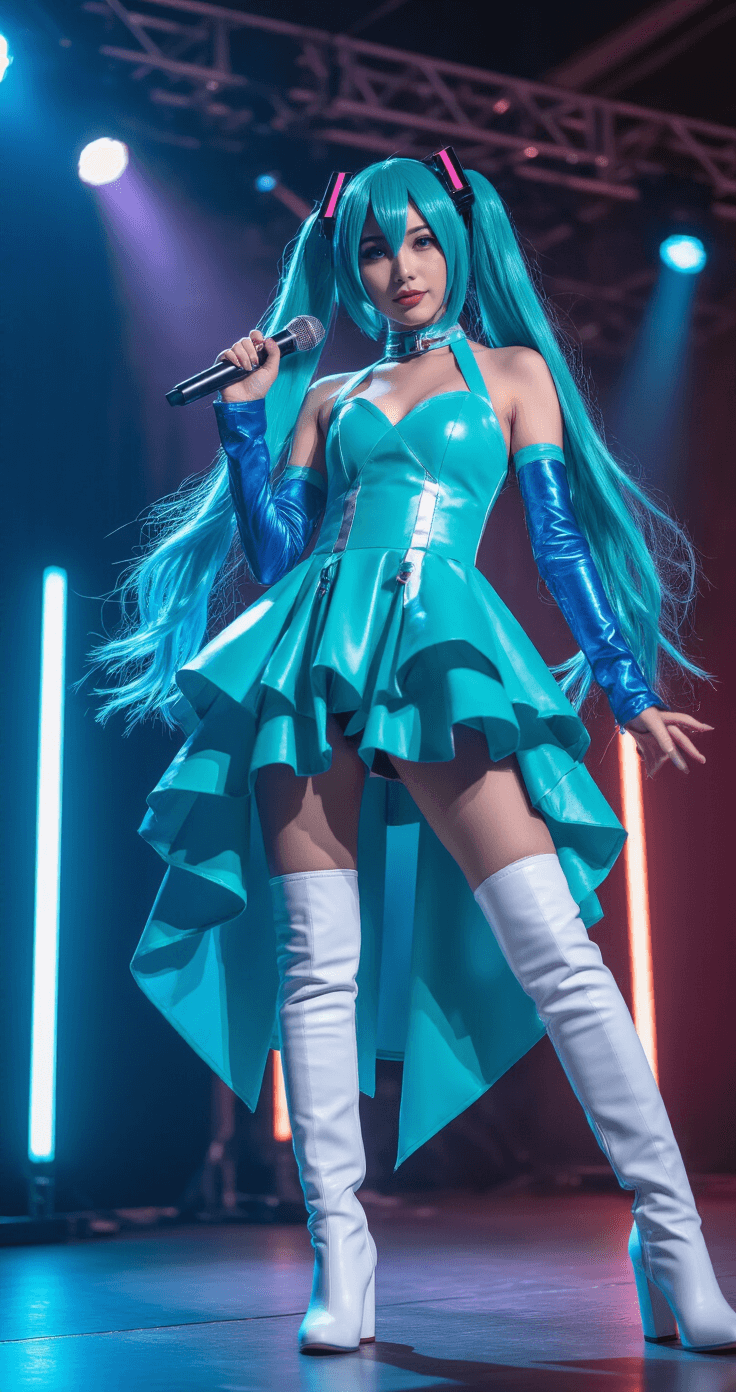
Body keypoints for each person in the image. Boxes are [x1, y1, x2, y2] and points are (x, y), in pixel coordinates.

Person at [89, 151, 734, 1357]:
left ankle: (672, 1239)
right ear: (350, 268)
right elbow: (280, 558)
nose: (402, 268)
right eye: (376, 249)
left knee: (558, 950)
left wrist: (627, 683)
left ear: (458, 243)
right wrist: (245, 420)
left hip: (443, 649)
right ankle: (342, 1258)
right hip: (311, 650)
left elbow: (559, 544)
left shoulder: (512, 374)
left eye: (422, 240)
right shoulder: (328, 396)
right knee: (316, 964)